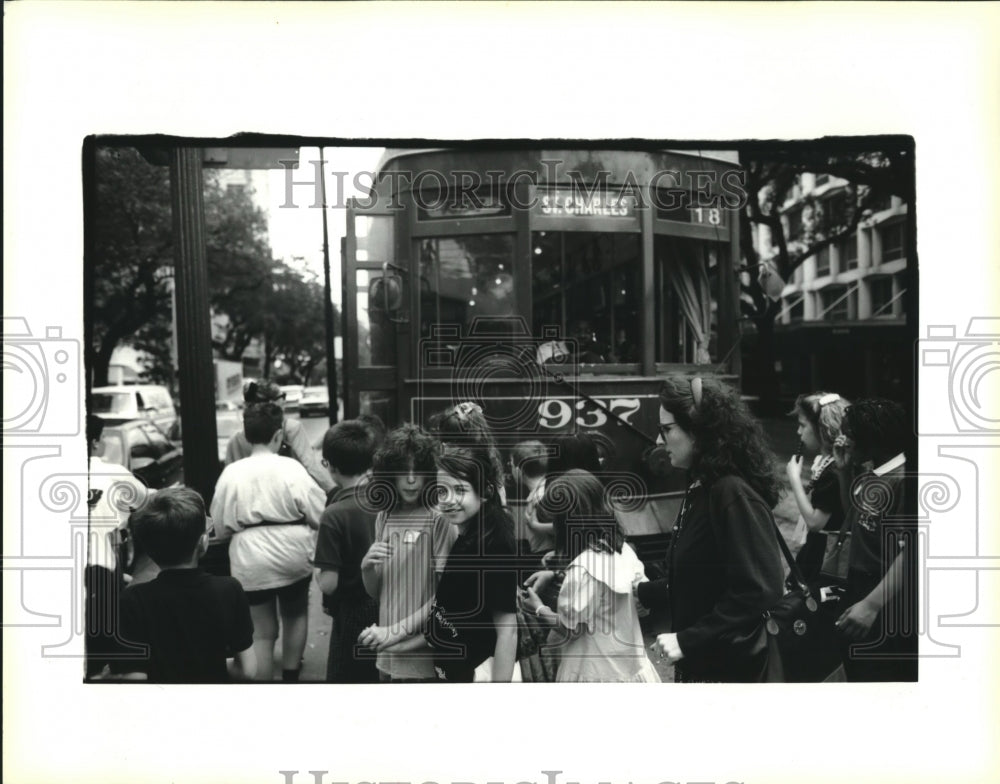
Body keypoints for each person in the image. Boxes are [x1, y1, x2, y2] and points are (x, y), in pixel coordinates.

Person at [641, 375, 785, 682]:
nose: (658, 441)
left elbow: (761, 588)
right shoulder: (702, 486)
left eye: (667, 430)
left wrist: (688, 638)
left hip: (730, 671)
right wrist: (639, 591)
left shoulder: (730, 492)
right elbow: (701, 577)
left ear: (700, 431)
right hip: (709, 665)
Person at [210, 402, 326, 681]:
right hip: (293, 554)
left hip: (250, 559)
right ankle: (290, 675)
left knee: (261, 631)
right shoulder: (292, 469)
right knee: (295, 615)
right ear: (278, 435)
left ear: (246, 435)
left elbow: (219, 523)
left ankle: (262, 684)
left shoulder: (232, 473)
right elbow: (317, 511)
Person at [520, 470, 660, 682]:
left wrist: (538, 607)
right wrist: (556, 574)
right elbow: (639, 603)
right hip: (630, 667)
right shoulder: (622, 550)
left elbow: (571, 629)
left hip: (592, 672)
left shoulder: (582, 569)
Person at [117, 487, 256, 683]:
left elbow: (133, 677)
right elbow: (247, 671)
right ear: (202, 542)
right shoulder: (228, 590)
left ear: (147, 549)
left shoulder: (131, 601)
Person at [357, 424, 454, 682]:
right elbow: (376, 592)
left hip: (420, 651)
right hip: (387, 649)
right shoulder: (384, 517)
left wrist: (395, 631)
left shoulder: (437, 519)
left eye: (418, 471)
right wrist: (366, 567)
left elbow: (445, 597)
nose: (411, 480)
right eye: (403, 472)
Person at [832, 398, 916, 682]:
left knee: (879, 674)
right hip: (859, 585)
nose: (843, 440)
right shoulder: (872, 473)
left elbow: (913, 553)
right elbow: (853, 521)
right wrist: (844, 473)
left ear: (873, 438)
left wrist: (871, 605)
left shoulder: (903, 480)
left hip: (885, 594)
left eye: (850, 434)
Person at [424, 445, 519, 681]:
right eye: (442, 491)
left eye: (460, 490)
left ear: (485, 492)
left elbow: (508, 628)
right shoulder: (471, 531)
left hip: (477, 672)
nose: (448, 500)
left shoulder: (493, 545)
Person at [84, 414, 154, 679]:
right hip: (102, 567)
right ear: (94, 442)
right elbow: (146, 502)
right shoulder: (112, 474)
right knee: (102, 643)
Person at [313, 420, 381, 683]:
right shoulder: (388, 500)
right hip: (393, 606)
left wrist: (317, 568)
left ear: (330, 465)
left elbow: (329, 584)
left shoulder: (335, 514)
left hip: (353, 613)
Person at [224, 380, 334, 495]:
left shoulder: (236, 439)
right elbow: (310, 466)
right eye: (282, 396)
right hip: (287, 497)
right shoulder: (289, 428)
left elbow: (229, 480)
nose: (284, 400)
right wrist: (334, 491)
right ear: (272, 402)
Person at [785, 391, 850, 584]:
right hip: (819, 549)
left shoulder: (834, 471)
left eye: (803, 425)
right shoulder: (826, 463)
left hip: (825, 555)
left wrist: (795, 479)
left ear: (821, 428)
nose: (799, 432)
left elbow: (815, 523)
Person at [428, 401, 507, 506]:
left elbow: (501, 502)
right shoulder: (440, 467)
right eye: (446, 443)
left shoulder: (483, 471)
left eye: (454, 445)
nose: (447, 447)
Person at [510, 439, 551, 556]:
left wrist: (535, 526)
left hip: (546, 558)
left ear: (519, 471)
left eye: (511, 464)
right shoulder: (543, 490)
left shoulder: (540, 497)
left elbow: (561, 528)